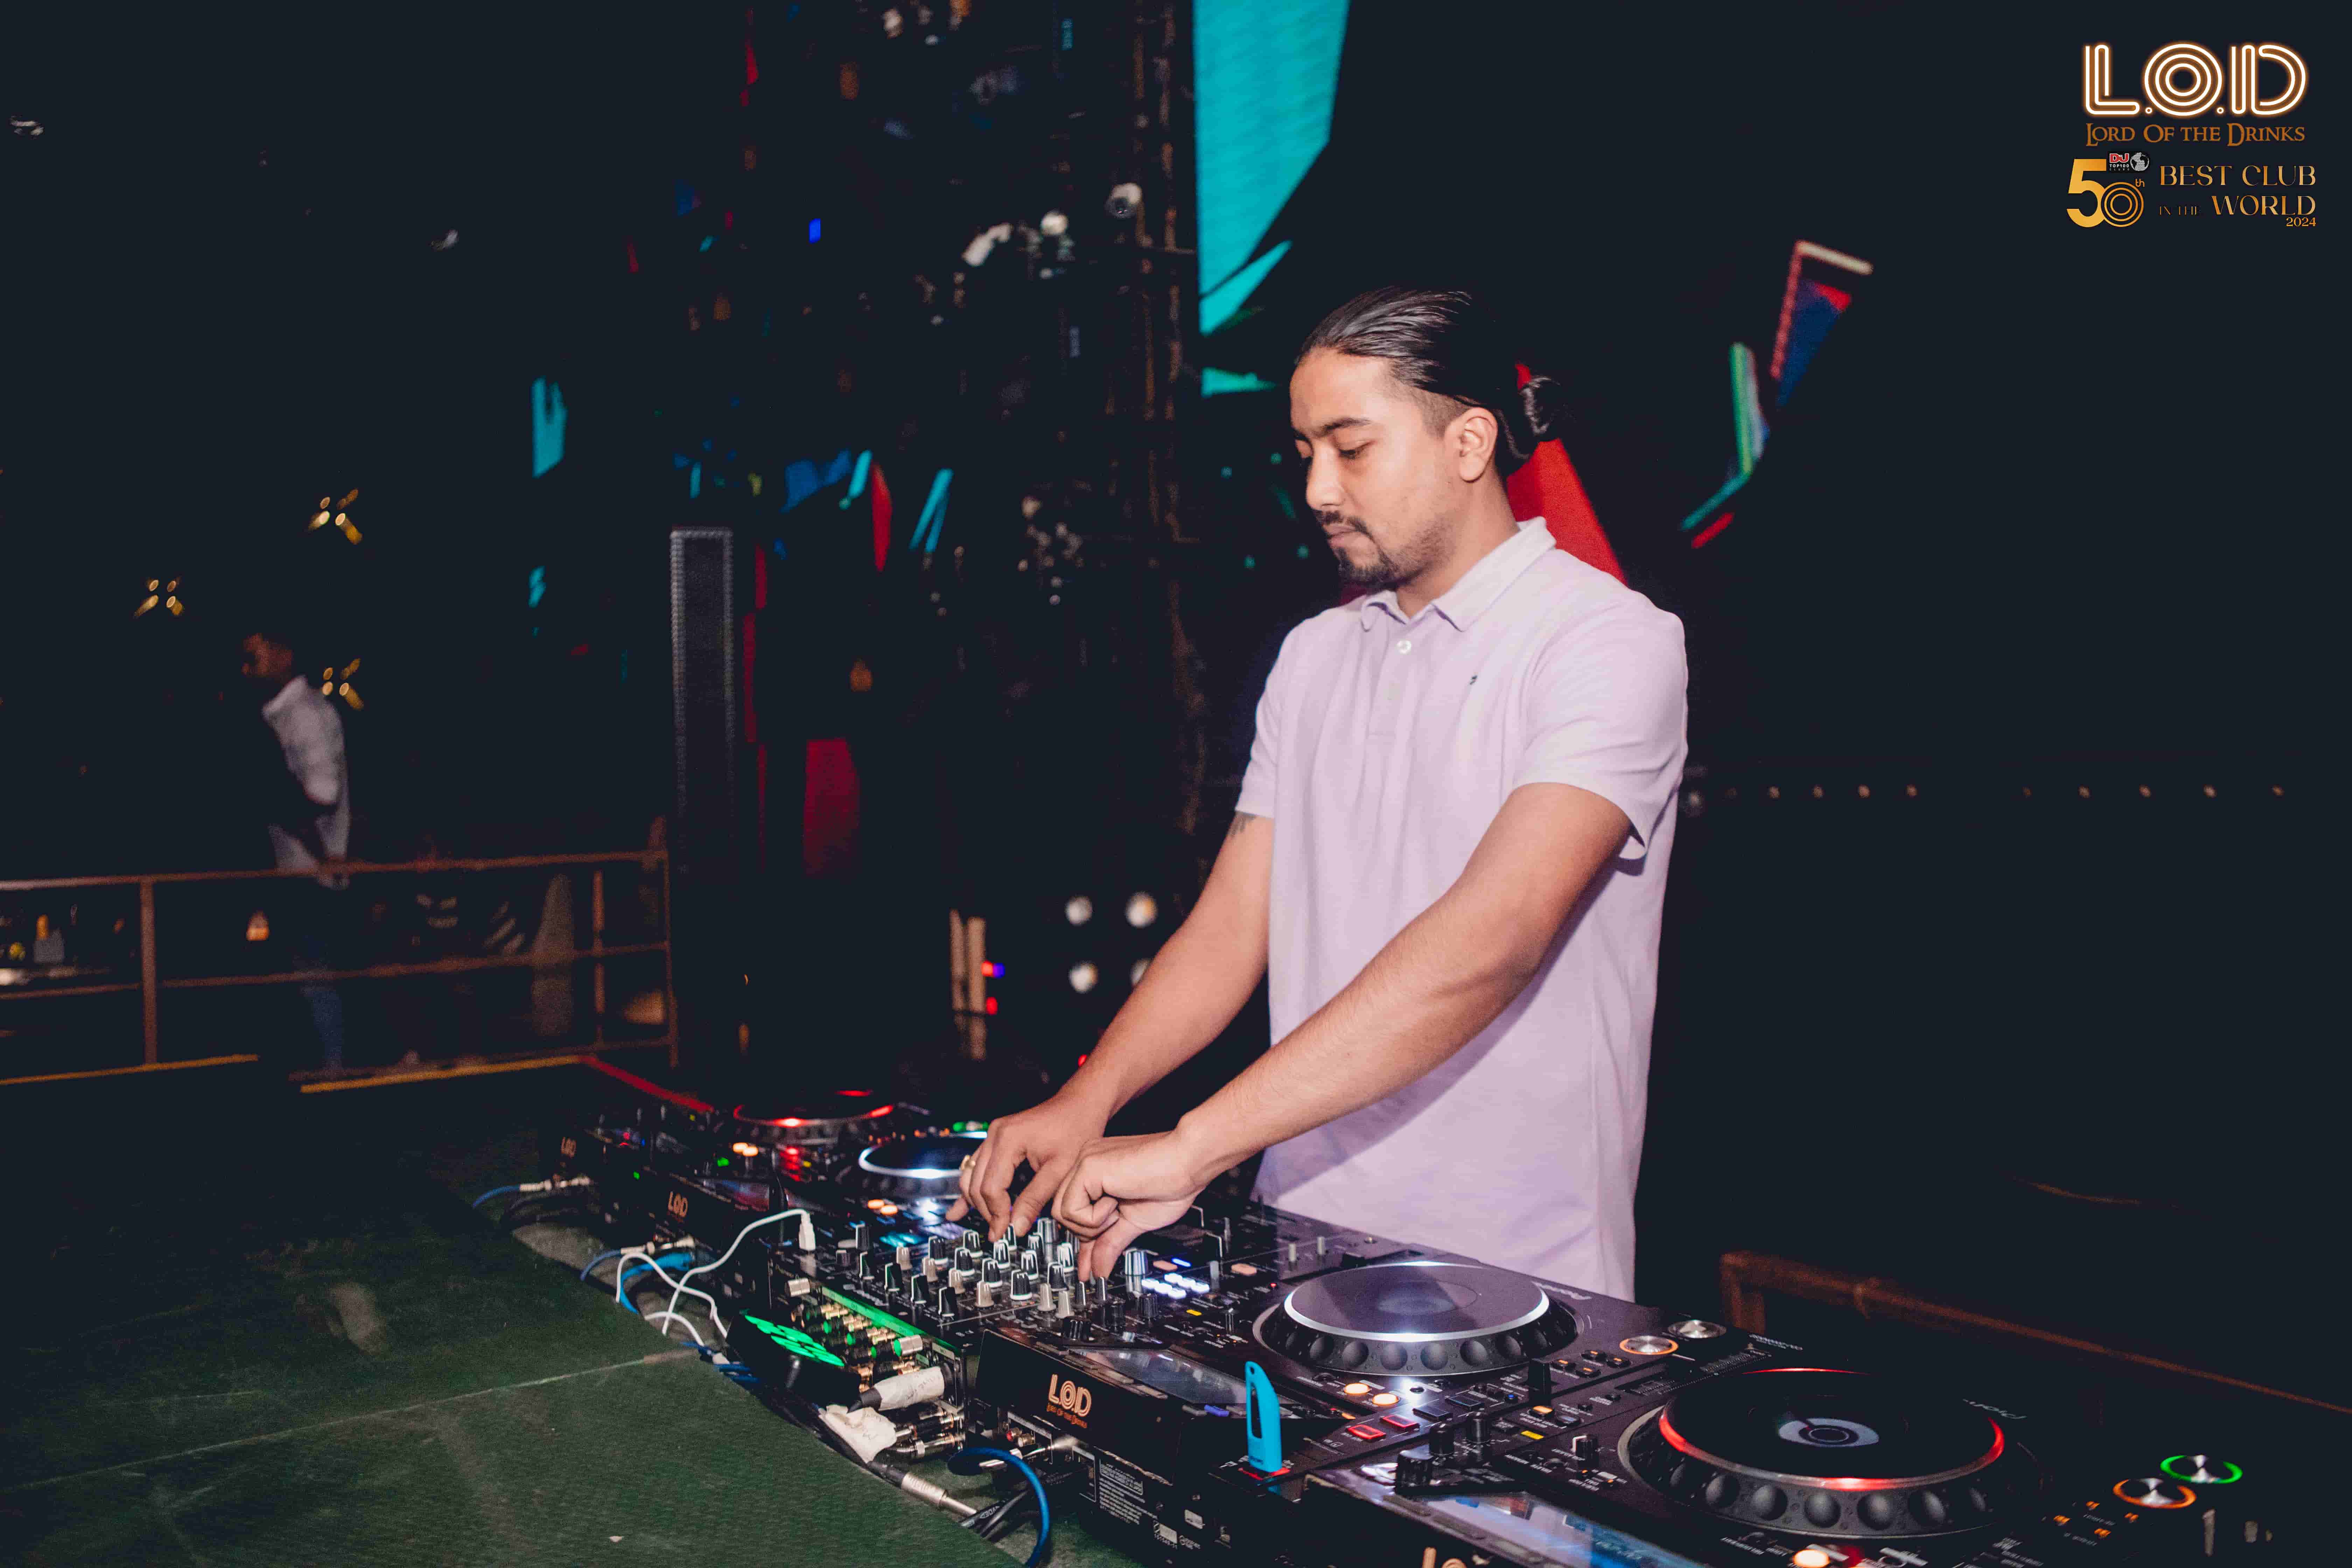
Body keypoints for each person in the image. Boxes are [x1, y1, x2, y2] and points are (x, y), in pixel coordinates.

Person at [948, 286, 1687, 1297]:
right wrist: (1094, 1095)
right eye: (1305, 452)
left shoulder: (1606, 642)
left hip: (1517, 1272)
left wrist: (1196, 1143)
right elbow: (1230, 927)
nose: (1317, 489)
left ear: (1470, 442)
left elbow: (1497, 936)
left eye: (1352, 448)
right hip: (1299, 1242)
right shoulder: (1315, 655)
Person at [240, 621, 352, 1070]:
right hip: (301, 868)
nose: (247, 668)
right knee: (307, 973)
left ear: (284, 655)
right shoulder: (285, 712)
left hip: (312, 872)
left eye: (255, 657)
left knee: (314, 973)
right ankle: (327, 1066)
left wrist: (282, 803)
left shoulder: (304, 713)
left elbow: (324, 794)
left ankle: (334, 1069)